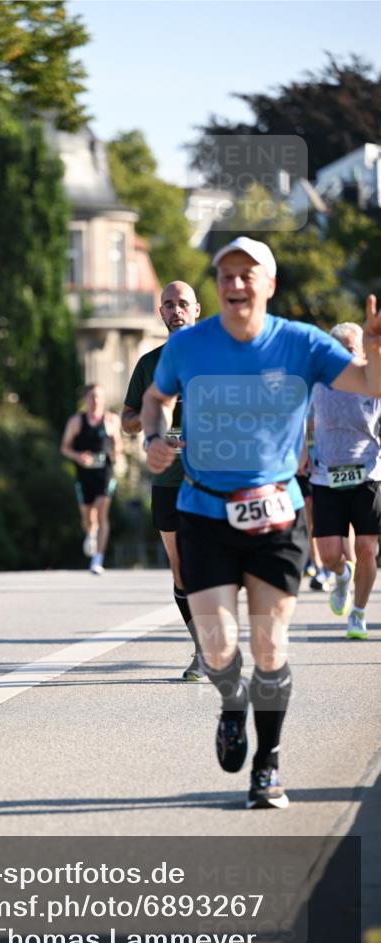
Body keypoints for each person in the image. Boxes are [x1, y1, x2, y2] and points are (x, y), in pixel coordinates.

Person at [141, 236, 381, 810]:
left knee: (270, 647)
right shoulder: (189, 345)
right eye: (227, 274)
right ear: (217, 285)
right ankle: (231, 703)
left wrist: (374, 346)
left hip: (275, 513)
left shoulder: (301, 343)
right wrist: (154, 436)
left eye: (249, 274)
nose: (236, 283)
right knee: (221, 648)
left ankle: (267, 765)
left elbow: (370, 386)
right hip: (202, 511)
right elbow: (156, 398)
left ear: (269, 285)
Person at [122, 281, 205, 680]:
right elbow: (126, 423)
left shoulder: (216, 358)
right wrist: (156, 422)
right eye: (169, 305)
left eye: (183, 304)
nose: (176, 310)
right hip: (168, 478)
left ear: (197, 310)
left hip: (214, 478)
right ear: (161, 313)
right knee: (180, 567)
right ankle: (202, 647)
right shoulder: (149, 364)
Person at [309, 322, 381, 639]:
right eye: (337, 349)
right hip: (327, 475)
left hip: (368, 472)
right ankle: (340, 575)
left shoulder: (374, 383)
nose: (344, 356)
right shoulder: (318, 384)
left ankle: (359, 614)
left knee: (366, 546)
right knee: (328, 555)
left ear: (362, 352)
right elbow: (302, 420)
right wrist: (300, 453)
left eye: (350, 349)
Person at [61, 384, 122, 575]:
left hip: (105, 471)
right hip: (84, 473)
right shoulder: (76, 422)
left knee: (102, 511)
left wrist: (117, 457)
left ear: (103, 399)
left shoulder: (111, 420)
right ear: (85, 400)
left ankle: (98, 559)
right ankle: (90, 532)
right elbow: (64, 447)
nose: (95, 401)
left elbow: (117, 444)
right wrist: (78, 456)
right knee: (88, 517)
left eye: (98, 397)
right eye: (91, 397)